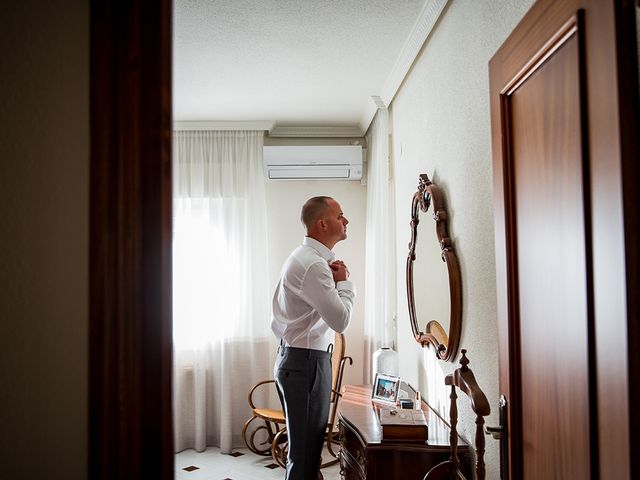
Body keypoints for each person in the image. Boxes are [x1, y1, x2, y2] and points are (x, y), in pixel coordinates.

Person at [271, 196, 356, 480]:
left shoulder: (304, 257)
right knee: (305, 455)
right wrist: (345, 283)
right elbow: (341, 320)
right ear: (323, 223)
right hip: (305, 364)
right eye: (341, 215)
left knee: (305, 452)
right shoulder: (314, 266)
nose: (346, 221)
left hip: (296, 358)